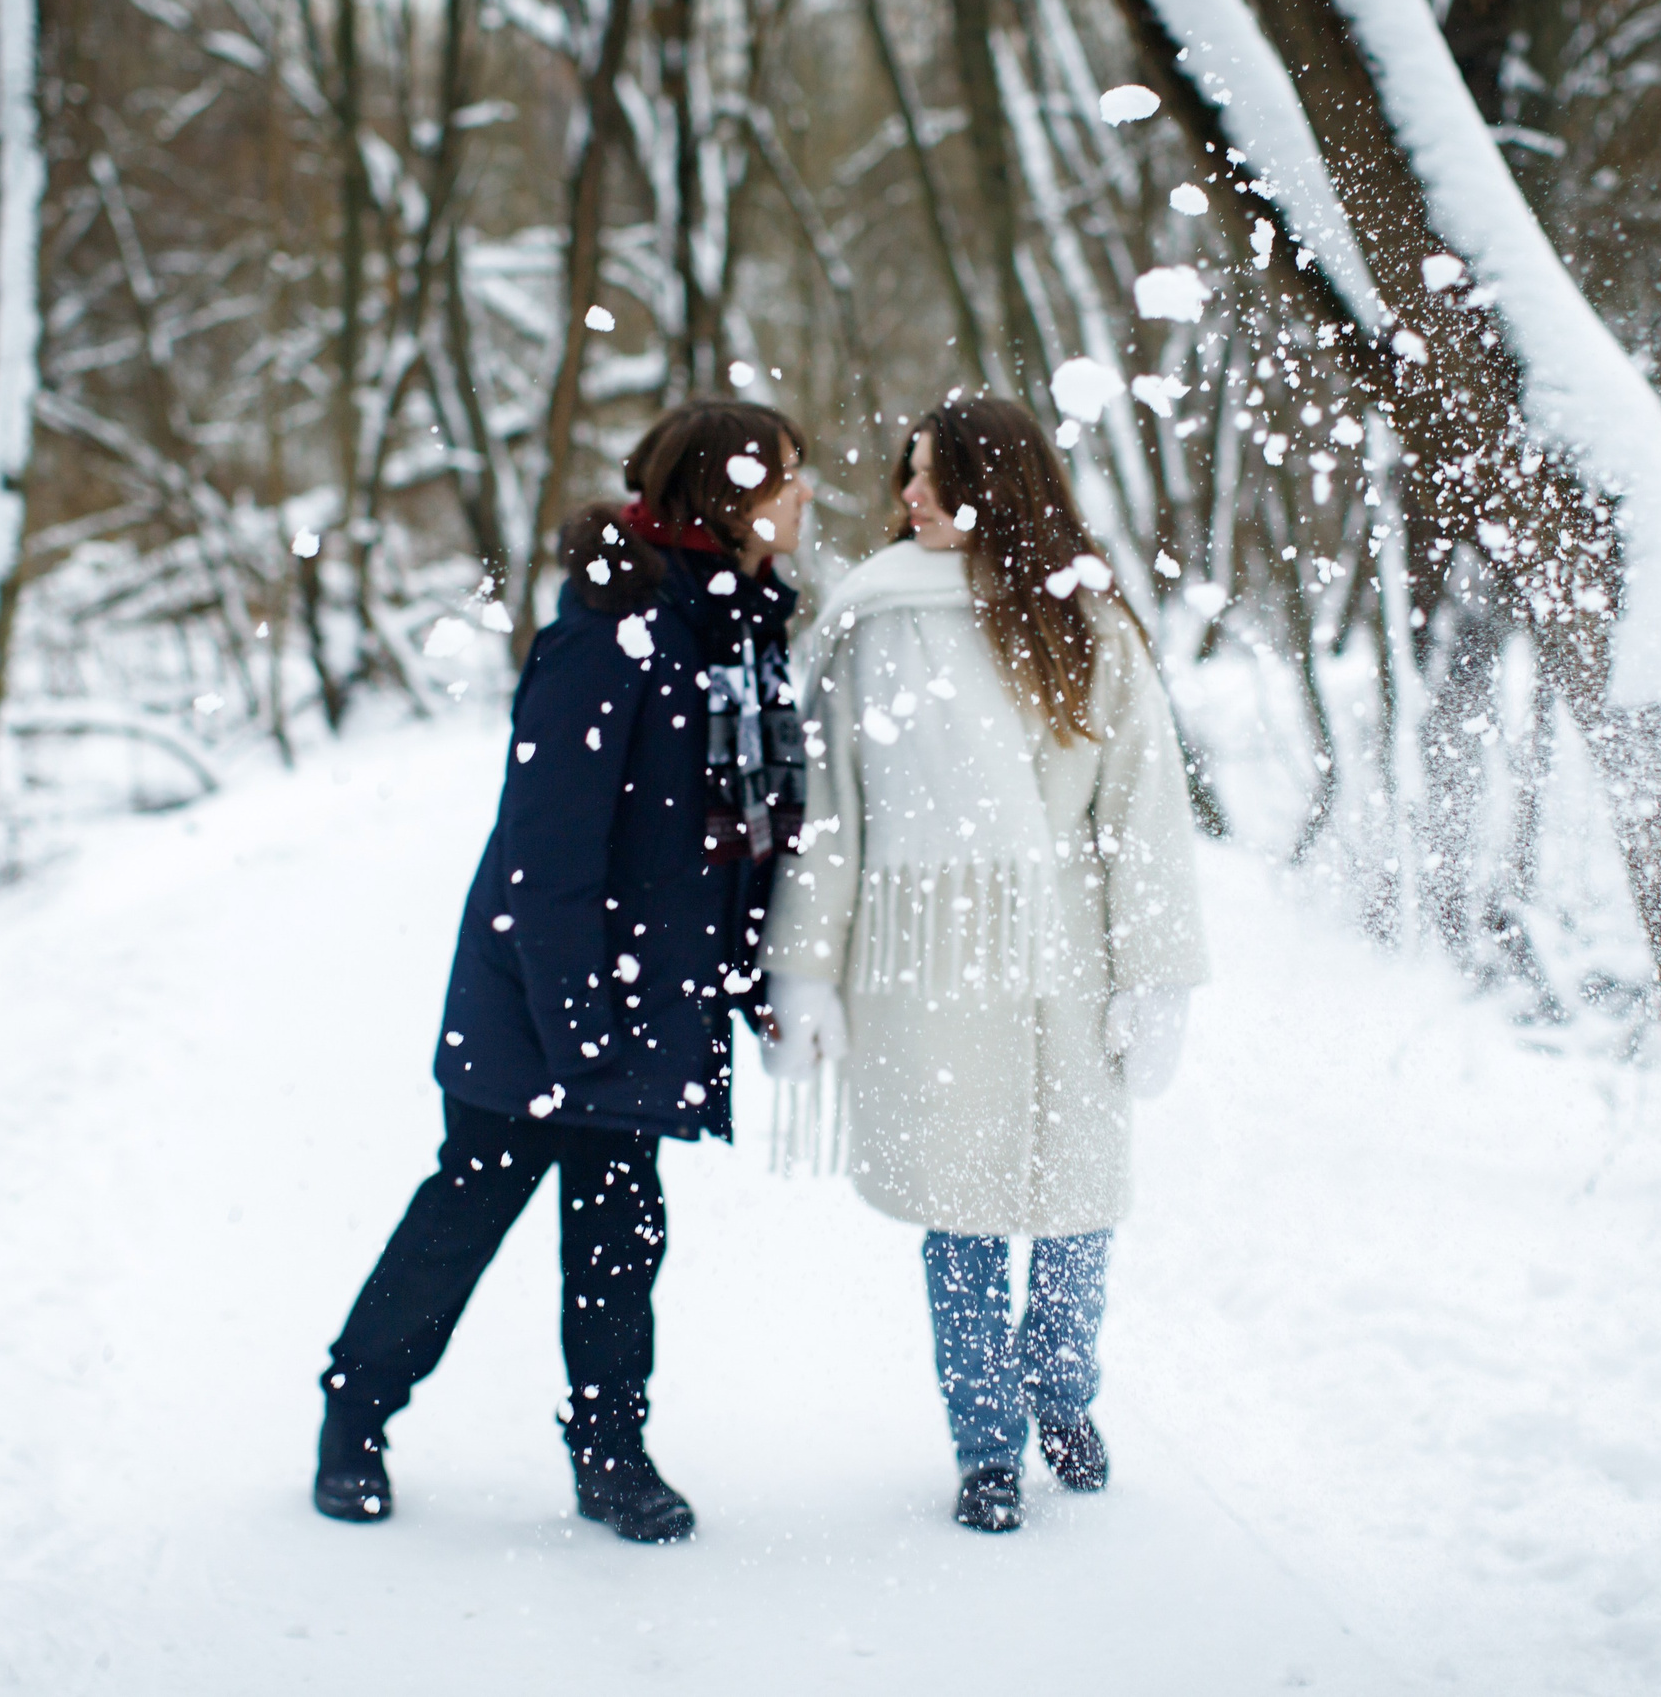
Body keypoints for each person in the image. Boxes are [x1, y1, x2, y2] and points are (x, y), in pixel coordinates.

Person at [313, 400, 816, 1543]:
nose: (801, 495)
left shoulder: (740, 625)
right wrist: (576, 1022)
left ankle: (610, 1454)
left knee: (619, 1234)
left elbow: (740, 837)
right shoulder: (613, 627)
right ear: (724, 494)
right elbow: (544, 850)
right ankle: (355, 1413)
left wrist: (749, 979)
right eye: (782, 475)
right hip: (548, 999)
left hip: (644, 993)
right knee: (467, 1212)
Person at [760, 396, 1205, 1534]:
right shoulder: (873, 622)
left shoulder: (1084, 618)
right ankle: (985, 1443)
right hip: (928, 963)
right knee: (959, 1214)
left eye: (933, 476)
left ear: (995, 486)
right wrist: (804, 966)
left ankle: (1063, 1389)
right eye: (906, 473)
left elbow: (1143, 810)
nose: (908, 496)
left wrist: (1155, 972)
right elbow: (832, 815)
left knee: (1074, 1208)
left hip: (1069, 957)